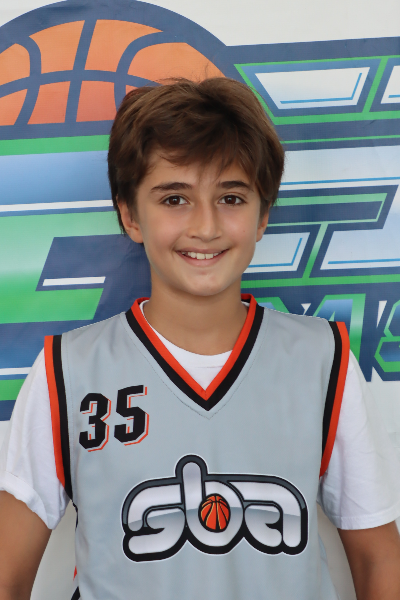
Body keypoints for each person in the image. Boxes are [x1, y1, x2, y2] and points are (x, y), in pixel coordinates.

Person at [1, 78, 400, 600]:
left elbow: (378, 560)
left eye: (231, 197)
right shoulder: (68, 370)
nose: (206, 226)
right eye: (175, 198)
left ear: (262, 215)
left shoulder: (323, 359)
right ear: (130, 215)